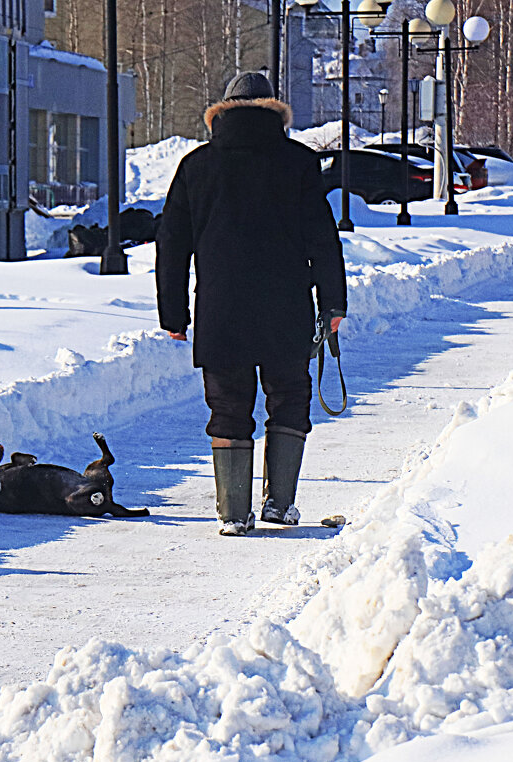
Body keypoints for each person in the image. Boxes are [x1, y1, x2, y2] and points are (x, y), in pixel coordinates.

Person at [155, 71, 347, 536]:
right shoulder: (299, 163)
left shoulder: (196, 165)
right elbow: (323, 239)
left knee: (227, 406)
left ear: (222, 113)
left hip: (221, 310)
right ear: (274, 112)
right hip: (286, 307)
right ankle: (279, 503)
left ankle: (233, 512)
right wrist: (333, 303)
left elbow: (171, 245)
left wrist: (174, 314)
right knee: (290, 399)